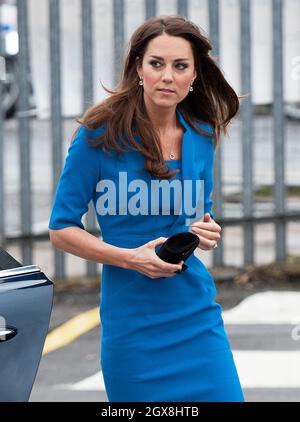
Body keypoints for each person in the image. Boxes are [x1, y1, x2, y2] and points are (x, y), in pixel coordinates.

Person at [49, 15, 244, 402]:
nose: (167, 77)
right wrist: (129, 258)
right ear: (139, 67)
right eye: (157, 64)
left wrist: (206, 232)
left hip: (195, 316)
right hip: (132, 325)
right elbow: (61, 229)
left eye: (180, 66)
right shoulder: (98, 136)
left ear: (194, 75)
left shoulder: (202, 135)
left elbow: (198, 217)